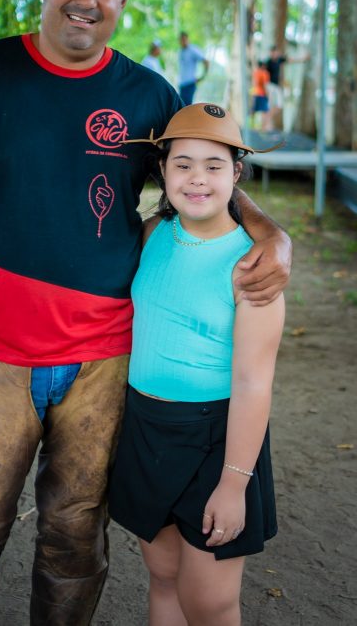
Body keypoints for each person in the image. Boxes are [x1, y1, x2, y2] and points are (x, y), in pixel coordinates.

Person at [0, 0, 291, 626]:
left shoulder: (149, 95)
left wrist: (269, 231)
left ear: (121, 2)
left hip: (107, 359)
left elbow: (205, 168)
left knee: (76, 540)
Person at [109, 103, 285, 626]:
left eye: (214, 165)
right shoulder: (150, 235)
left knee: (208, 600)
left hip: (214, 439)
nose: (197, 178)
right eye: (182, 163)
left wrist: (234, 484)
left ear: (237, 173)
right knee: (163, 577)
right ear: (162, 172)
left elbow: (254, 382)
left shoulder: (254, 267)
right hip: (144, 427)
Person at [265, 44, 309, 130]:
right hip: (270, 86)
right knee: (270, 105)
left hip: (276, 86)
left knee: (279, 106)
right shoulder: (268, 62)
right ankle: (267, 124)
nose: (275, 54)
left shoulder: (280, 60)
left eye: (276, 52)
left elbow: (291, 60)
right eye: (273, 52)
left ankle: (268, 119)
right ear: (271, 53)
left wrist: (303, 59)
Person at [178, 31, 209, 105]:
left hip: (190, 83)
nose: (183, 41)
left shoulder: (192, 50)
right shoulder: (181, 51)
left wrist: (202, 77)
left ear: (188, 39)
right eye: (181, 40)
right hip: (182, 84)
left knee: (187, 107)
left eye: (185, 39)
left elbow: (206, 62)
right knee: (181, 107)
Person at [251, 60, 270, 131]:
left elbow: (254, 83)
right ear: (263, 66)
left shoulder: (255, 73)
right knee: (265, 111)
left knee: (254, 111)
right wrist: (267, 95)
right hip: (262, 94)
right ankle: (264, 128)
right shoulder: (264, 73)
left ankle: (252, 127)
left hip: (255, 93)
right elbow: (265, 85)